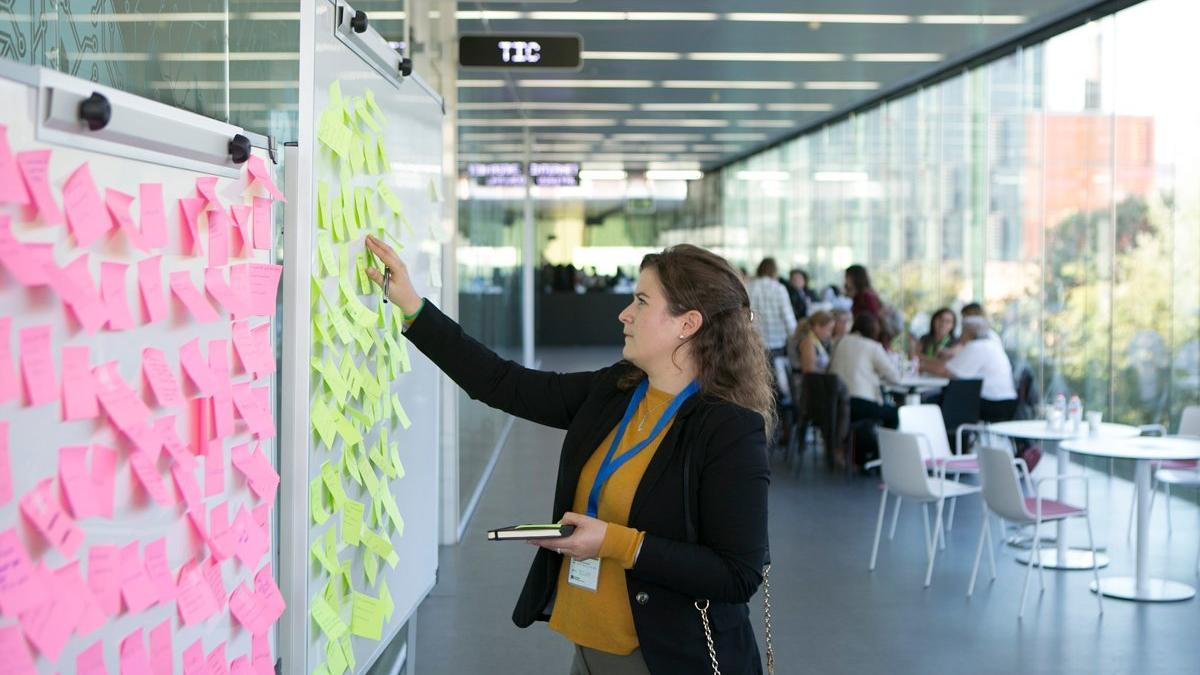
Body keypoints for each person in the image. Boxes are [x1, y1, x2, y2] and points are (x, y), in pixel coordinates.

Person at [364, 236, 771, 674]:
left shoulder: (729, 430)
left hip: (665, 657)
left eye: (640, 301)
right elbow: (503, 383)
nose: (624, 313)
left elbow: (737, 574)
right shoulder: (617, 390)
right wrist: (412, 306)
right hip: (588, 650)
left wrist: (613, 542)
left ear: (687, 324)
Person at [921, 316, 1018, 422]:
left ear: (969, 333)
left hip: (993, 404)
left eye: (962, 331)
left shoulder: (976, 347)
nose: (960, 335)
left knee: (932, 402)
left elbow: (947, 372)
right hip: (1005, 403)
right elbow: (949, 366)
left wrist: (921, 366)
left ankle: (945, 436)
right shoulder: (991, 344)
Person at [828, 313, 901, 429]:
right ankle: (883, 446)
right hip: (858, 403)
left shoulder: (839, 342)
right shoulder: (873, 347)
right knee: (893, 414)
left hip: (834, 402)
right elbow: (895, 377)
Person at [746, 258, 797, 356]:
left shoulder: (749, 287)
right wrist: (795, 336)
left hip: (755, 342)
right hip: (777, 342)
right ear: (774, 271)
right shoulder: (779, 289)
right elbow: (788, 318)